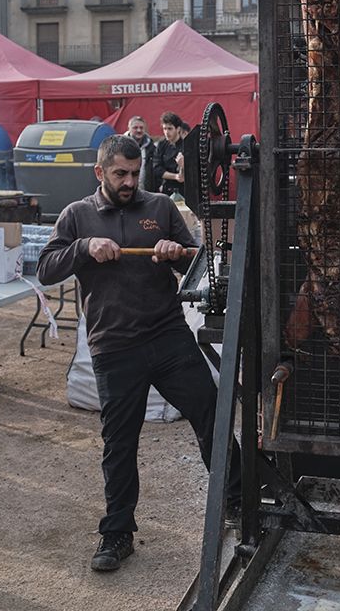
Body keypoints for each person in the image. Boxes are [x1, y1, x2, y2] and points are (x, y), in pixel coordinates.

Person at [36, 134, 241, 573]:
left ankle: (238, 500)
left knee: (211, 415)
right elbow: (46, 268)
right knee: (119, 443)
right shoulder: (77, 215)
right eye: (120, 174)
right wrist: (83, 248)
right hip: (113, 347)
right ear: (100, 172)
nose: (129, 182)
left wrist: (175, 252)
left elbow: (196, 264)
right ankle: (117, 534)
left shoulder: (160, 208)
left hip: (167, 337)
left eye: (134, 173)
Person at [152, 111, 188, 198]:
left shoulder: (187, 145)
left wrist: (184, 165)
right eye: (165, 129)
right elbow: (157, 169)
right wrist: (175, 176)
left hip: (185, 190)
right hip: (167, 189)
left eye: (170, 128)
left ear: (178, 129)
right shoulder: (161, 145)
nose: (167, 132)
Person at [126, 115, 158, 193]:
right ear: (129, 129)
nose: (139, 130)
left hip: (146, 191)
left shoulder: (151, 147)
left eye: (141, 127)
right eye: (135, 128)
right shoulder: (121, 146)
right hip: (126, 189)